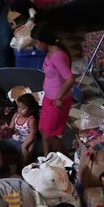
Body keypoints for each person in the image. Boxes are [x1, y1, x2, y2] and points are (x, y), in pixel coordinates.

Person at [32, 23, 74, 154]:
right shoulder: (50, 51)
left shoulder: (57, 56)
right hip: (48, 98)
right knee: (42, 129)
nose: (35, 45)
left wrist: (59, 97)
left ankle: (66, 160)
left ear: (45, 40)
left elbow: (70, 78)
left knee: (49, 135)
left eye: (36, 42)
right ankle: (46, 158)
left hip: (57, 102)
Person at [0, 92, 39, 171]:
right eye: (18, 107)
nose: (19, 110)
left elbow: (32, 135)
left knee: (25, 153)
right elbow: (11, 128)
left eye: (23, 108)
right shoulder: (16, 115)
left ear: (31, 110)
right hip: (13, 141)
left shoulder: (31, 120)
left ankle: (23, 168)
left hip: (24, 143)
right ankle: (1, 166)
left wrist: (24, 147)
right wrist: (6, 131)